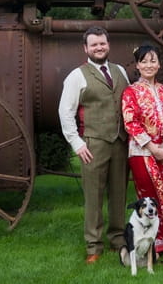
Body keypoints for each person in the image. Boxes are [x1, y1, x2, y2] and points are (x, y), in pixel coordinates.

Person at [58, 26, 130, 264]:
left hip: (120, 142)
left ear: (108, 45)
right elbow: (65, 112)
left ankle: (118, 240)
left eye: (103, 43)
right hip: (93, 144)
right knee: (94, 197)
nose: (99, 47)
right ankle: (93, 246)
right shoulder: (77, 75)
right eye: (94, 44)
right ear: (86, 48)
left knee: (119, 193)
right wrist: (77, 143)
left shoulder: (120, 71)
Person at [121, 44, 163, 259]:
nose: (149, 65)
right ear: (137, 65)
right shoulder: (131, 92)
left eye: (153, 61)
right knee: (150, 198)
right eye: (144, 61)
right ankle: (152, 245)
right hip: (142, 153)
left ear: (159, 64)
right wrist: (152, 147)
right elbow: (132, 123)